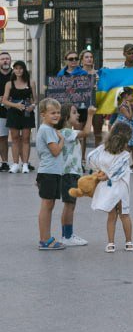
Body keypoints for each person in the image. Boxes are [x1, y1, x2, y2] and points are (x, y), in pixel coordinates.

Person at [87, 121, 133, 252]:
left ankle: (111, 243)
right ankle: (129, 242)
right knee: (124, 214)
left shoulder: (102, 149)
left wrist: (99, 170)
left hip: (108, 188)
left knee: (112, 215)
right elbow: (118, 170)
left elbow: (90, 157)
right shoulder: (124, 155)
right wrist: (108, 175)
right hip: (121, 187)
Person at [34, 99, 71, 250]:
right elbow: (55, 151)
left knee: (49, 205)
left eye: (58, 112)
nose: (56, 115)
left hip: (52, 172)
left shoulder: (49, 129)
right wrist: (62, 139)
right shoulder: (47, 130)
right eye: (52, 113)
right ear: (43, 114)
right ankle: (45, 239)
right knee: (47, 205)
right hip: (48, 172)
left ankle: (46, 237)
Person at [57, 104, 95, 247]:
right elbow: (86, 133)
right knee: (70, 205)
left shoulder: (67, 131)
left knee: (70, 205)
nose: (77, 115)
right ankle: (67, 236)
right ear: (66, 117)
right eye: (74, 113)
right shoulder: (66, 132)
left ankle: (66, 234)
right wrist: (90, 115)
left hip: (71, 173)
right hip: (69, 174)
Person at [3, 60, 36, 173]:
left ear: (24, 69)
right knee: (15, 138)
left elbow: (34, 99)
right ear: (14, 70)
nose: (18, 70)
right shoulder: (9, 84)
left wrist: (33, 106)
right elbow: (5, 101)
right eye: (16, 68)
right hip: (14, 112)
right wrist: (16, 105)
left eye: (20, 68)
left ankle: (25, 164)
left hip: (27, 112)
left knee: (26, 138)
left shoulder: (30, 82)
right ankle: (15, 163)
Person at [107, 88, 133, 174]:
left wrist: (132, 106)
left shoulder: (130, 104)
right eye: (131, 95)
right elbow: (130, 116)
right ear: (126, 96)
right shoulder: (123, 106)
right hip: (125, 128)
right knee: (126, 148)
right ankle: (125, 166)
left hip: (131, 127)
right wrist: (130, 109)